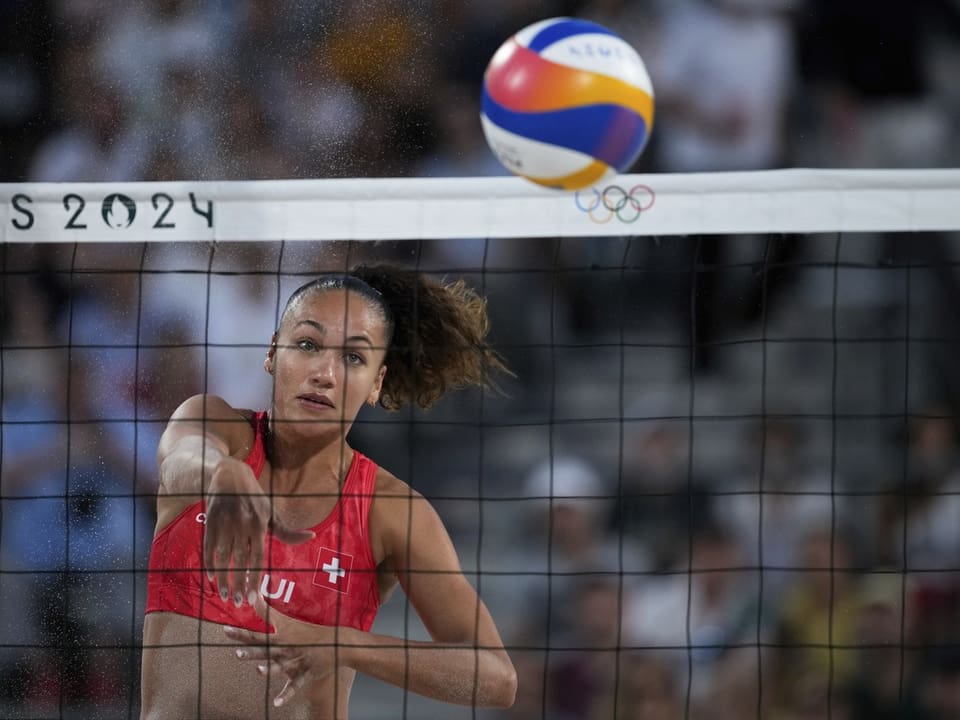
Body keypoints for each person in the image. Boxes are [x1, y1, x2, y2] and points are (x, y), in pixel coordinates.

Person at [140, 265, 517, 719]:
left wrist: (343, 645)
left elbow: (496, 677)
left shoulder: (389, 509)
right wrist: (219, 472)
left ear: (376, 383)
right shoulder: (215, 427)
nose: (325, 373)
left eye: (354, 358)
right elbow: (179, 458)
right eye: (307, 345)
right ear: (272, 352)